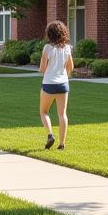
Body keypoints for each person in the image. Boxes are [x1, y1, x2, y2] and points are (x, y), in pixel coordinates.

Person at [38, 20, 73, 150]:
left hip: (49, 83)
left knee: (44, 112)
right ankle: (62, 144)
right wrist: (65, 75)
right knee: (62, 114)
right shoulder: (67, 48)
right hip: (63, 83)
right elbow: (71, 66)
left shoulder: (47, 48)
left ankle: (50, 134)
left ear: (50, 34)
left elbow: (42, 69)